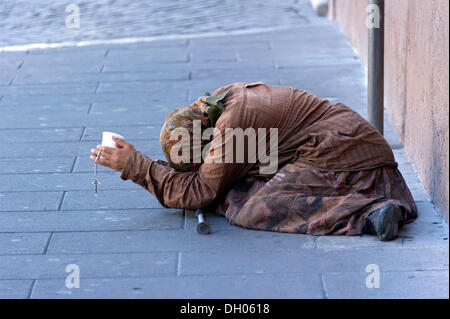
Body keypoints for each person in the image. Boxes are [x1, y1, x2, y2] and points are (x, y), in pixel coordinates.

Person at [90, 82, 417, 241]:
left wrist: (135, 165)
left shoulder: (231, 128)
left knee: (252, 209)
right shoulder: (221, 101)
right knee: (237, 189)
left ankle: (368, 214)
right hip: (343, 143)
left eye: (201, 159)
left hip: (345, 155)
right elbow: (215, 179)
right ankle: (368, 206)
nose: (205, 163)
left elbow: (201, 192)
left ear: (207, 143)